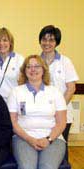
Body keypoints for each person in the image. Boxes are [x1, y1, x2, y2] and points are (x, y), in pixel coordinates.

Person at [7, 55, 67, 169]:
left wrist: (48, 139)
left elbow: (61, 122)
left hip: (53, 138)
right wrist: (30, 139)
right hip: (23, 138)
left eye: (37, 66)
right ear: (24, 71)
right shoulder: (16, 92)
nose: (33, 69)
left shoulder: (55, 92)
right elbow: (13, 122)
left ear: (43, 69)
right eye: (29, 67)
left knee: (48, 167)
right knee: (27, 167)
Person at [39, 25, 79, 159]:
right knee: (45, 149)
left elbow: (71, 88)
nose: (47, 43)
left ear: (56, 42)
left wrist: (58, 109)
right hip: (42, 114)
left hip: (63, 115)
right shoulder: (35, 61)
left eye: (51, 40)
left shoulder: (65, 62)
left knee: (61, 149)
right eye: (44, 39)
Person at [0, 27, 24, 102]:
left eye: (5, 40)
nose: (1, 43)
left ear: (10, 42)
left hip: (14, 101)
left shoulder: (19, 59)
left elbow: (23, 83)